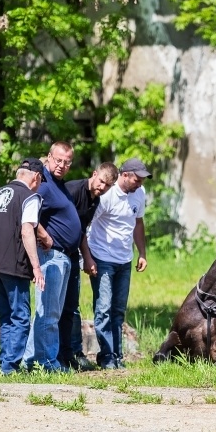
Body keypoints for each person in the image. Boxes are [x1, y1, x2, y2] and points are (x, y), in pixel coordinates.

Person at [0, 159, 45, 375]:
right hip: (13, 264)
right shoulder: (30, 197)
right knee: (21, 316)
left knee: (6, 315)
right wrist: (36, 266)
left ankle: (4, 361)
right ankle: (10, 367)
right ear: (36, 177)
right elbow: (27, 231)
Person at [83, 158, 149, 370]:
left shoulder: (139, 194)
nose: (140, 184)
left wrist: (142, 252)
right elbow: (88, 224)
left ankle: (117, 356)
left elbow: (138, 223)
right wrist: (88, 257)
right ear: (125, 175)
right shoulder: (107, 195)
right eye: (137, 179)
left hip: (124, 260)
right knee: (103, 308)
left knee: (118, 310)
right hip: (102, 257)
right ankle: (106, 356)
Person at [23, 142, 81, 372]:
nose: (62, 165)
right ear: (49, 157)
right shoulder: (44, 184)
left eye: (67, 162)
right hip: (51, 256)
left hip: (63, 257)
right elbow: (26, 211)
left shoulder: (58, 185)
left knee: (46, 313)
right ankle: (48, 362)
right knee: (49, 313)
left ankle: (29, 360)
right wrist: (44, 235)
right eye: (58, 160)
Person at [59, 162, 119, 371]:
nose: (102, 187)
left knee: (72, 306)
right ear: (94, 174)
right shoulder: (73, 190)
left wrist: (88, 258)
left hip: (74, 254)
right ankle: (57, 355)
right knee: (56, 308)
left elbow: (81, 230)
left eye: (108, 186)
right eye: (101, 181)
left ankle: (73, 353)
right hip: (57, 252)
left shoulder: (96, 200)